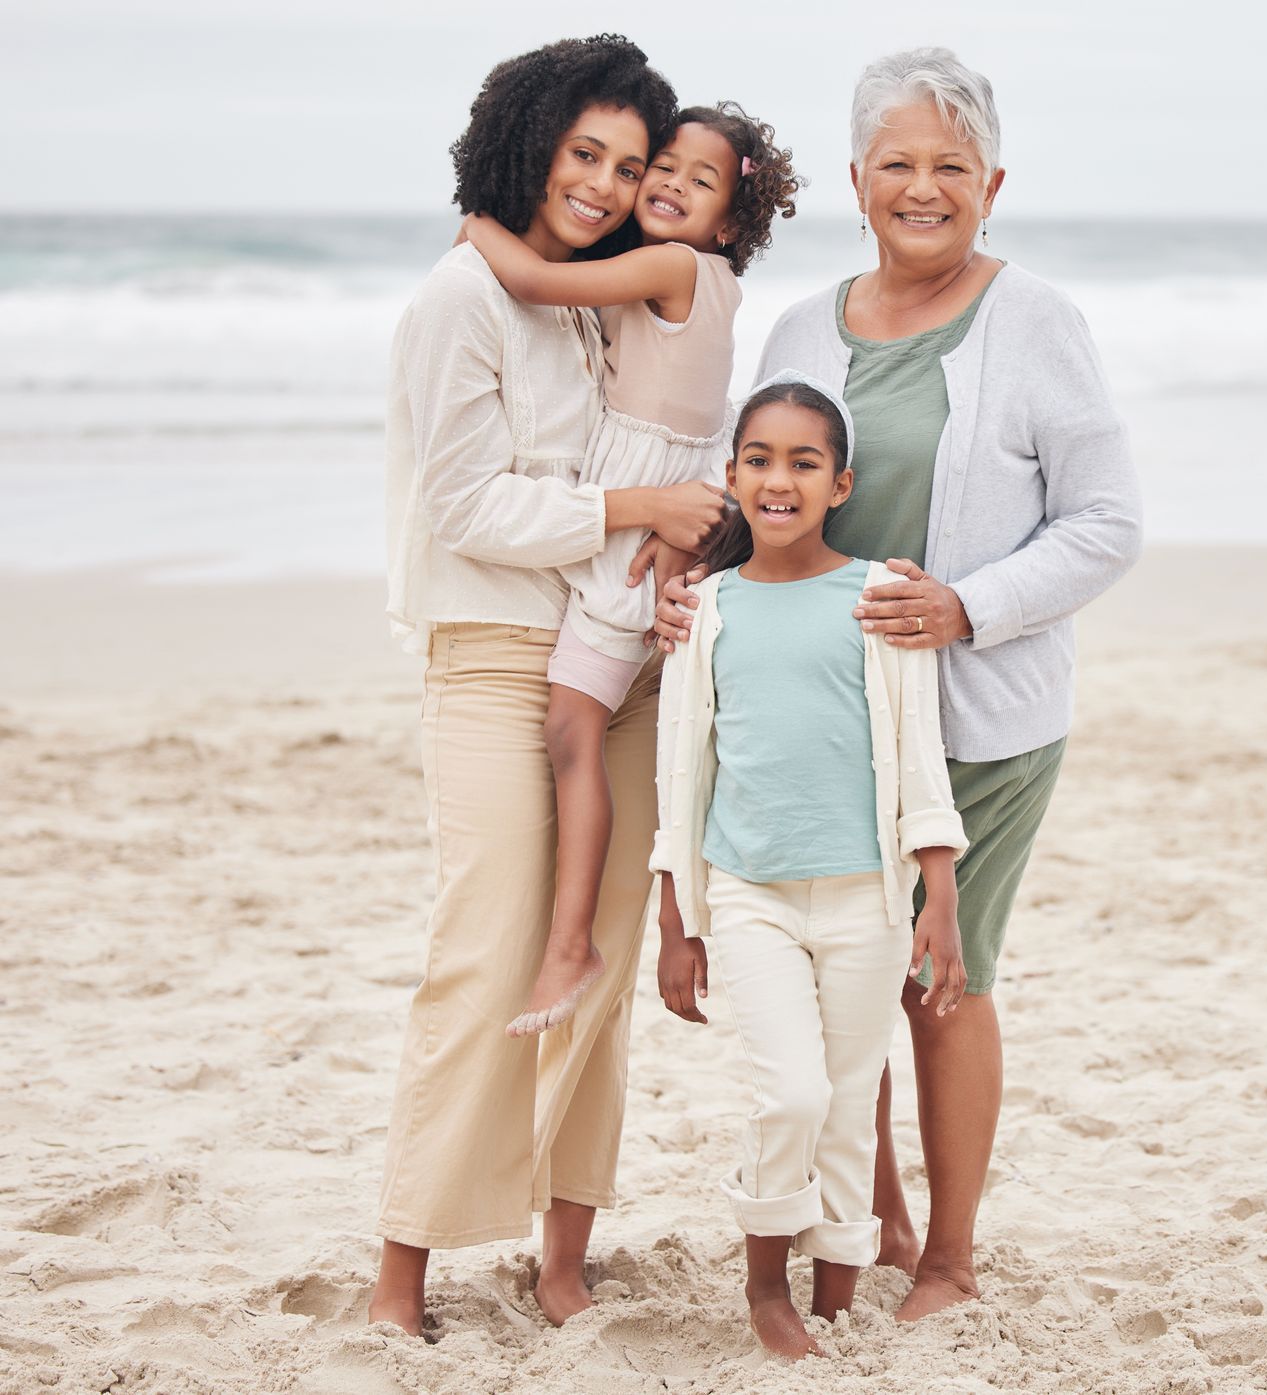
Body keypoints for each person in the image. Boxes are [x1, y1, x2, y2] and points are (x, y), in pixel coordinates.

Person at [646, 48, 1144, 1320]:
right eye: (900, 165)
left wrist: (967, 608)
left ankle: (954, 1260)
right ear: (860, 179)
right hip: (826, 725)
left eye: (952, 167)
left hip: (980, 720)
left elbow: (1105, 524)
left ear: (993, 184)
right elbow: (763, 485)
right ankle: (877, 1223)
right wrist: (686, 581)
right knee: (836, 995)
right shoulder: (804, 326)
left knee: (944, 979)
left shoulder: (1038, 325)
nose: (924, 188)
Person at [371, 36, 727, 1336]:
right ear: (529, 138)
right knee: (483, 960)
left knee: (602, 969)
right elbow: (465, 505)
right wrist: (637, 504)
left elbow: (666, 458)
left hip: (618, 663)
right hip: (490, 661)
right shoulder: (463, 297)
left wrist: (675, 570)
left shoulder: (598, 298)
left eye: (630, 166)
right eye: (587, 153)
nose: (605, 184)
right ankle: (399, 1272)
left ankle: (563, 1256)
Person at [458, 101, 802, 1038]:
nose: (668, 185)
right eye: (664, 168)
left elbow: (533, 280)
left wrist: (474, 222)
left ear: (728, 221)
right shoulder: (715, 278)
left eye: (701, 181)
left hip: (640, 503)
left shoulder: (671, 264)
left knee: (573, 726)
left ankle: (572, 939)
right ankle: (652, 914)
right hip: (665, 487)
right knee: (653, 733)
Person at [650, 375, 969, 1359]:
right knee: (787, 1092)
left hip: (869, 896)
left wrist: (940, 898)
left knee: (848, 1095)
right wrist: (676, 918)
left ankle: (834, 1291)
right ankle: (764, 1285)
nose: (778, 479)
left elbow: (919, 755)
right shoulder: (703, 611)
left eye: (803, 462)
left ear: (840, 484)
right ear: (733, 476)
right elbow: (679, 773)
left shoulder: (880, 594)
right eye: (758, 459)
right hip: (749, 893)